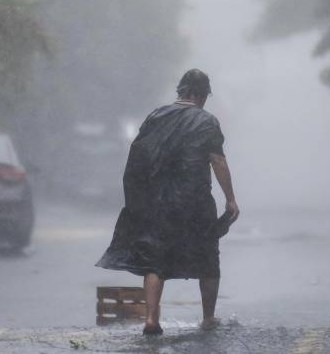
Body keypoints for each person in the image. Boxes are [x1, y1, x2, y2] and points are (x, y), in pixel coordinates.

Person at [96, 68, 239, 335]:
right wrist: (230, 199)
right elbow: (218, 161)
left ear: (181, 91)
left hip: (158, 203)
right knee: (208, 258)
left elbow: (137, 158)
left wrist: (137, 201)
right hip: (196, 201)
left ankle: (151, 319)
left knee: (155, 261)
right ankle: (208, 318)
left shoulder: (155, 117)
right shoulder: (207, 121)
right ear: (200, 95)